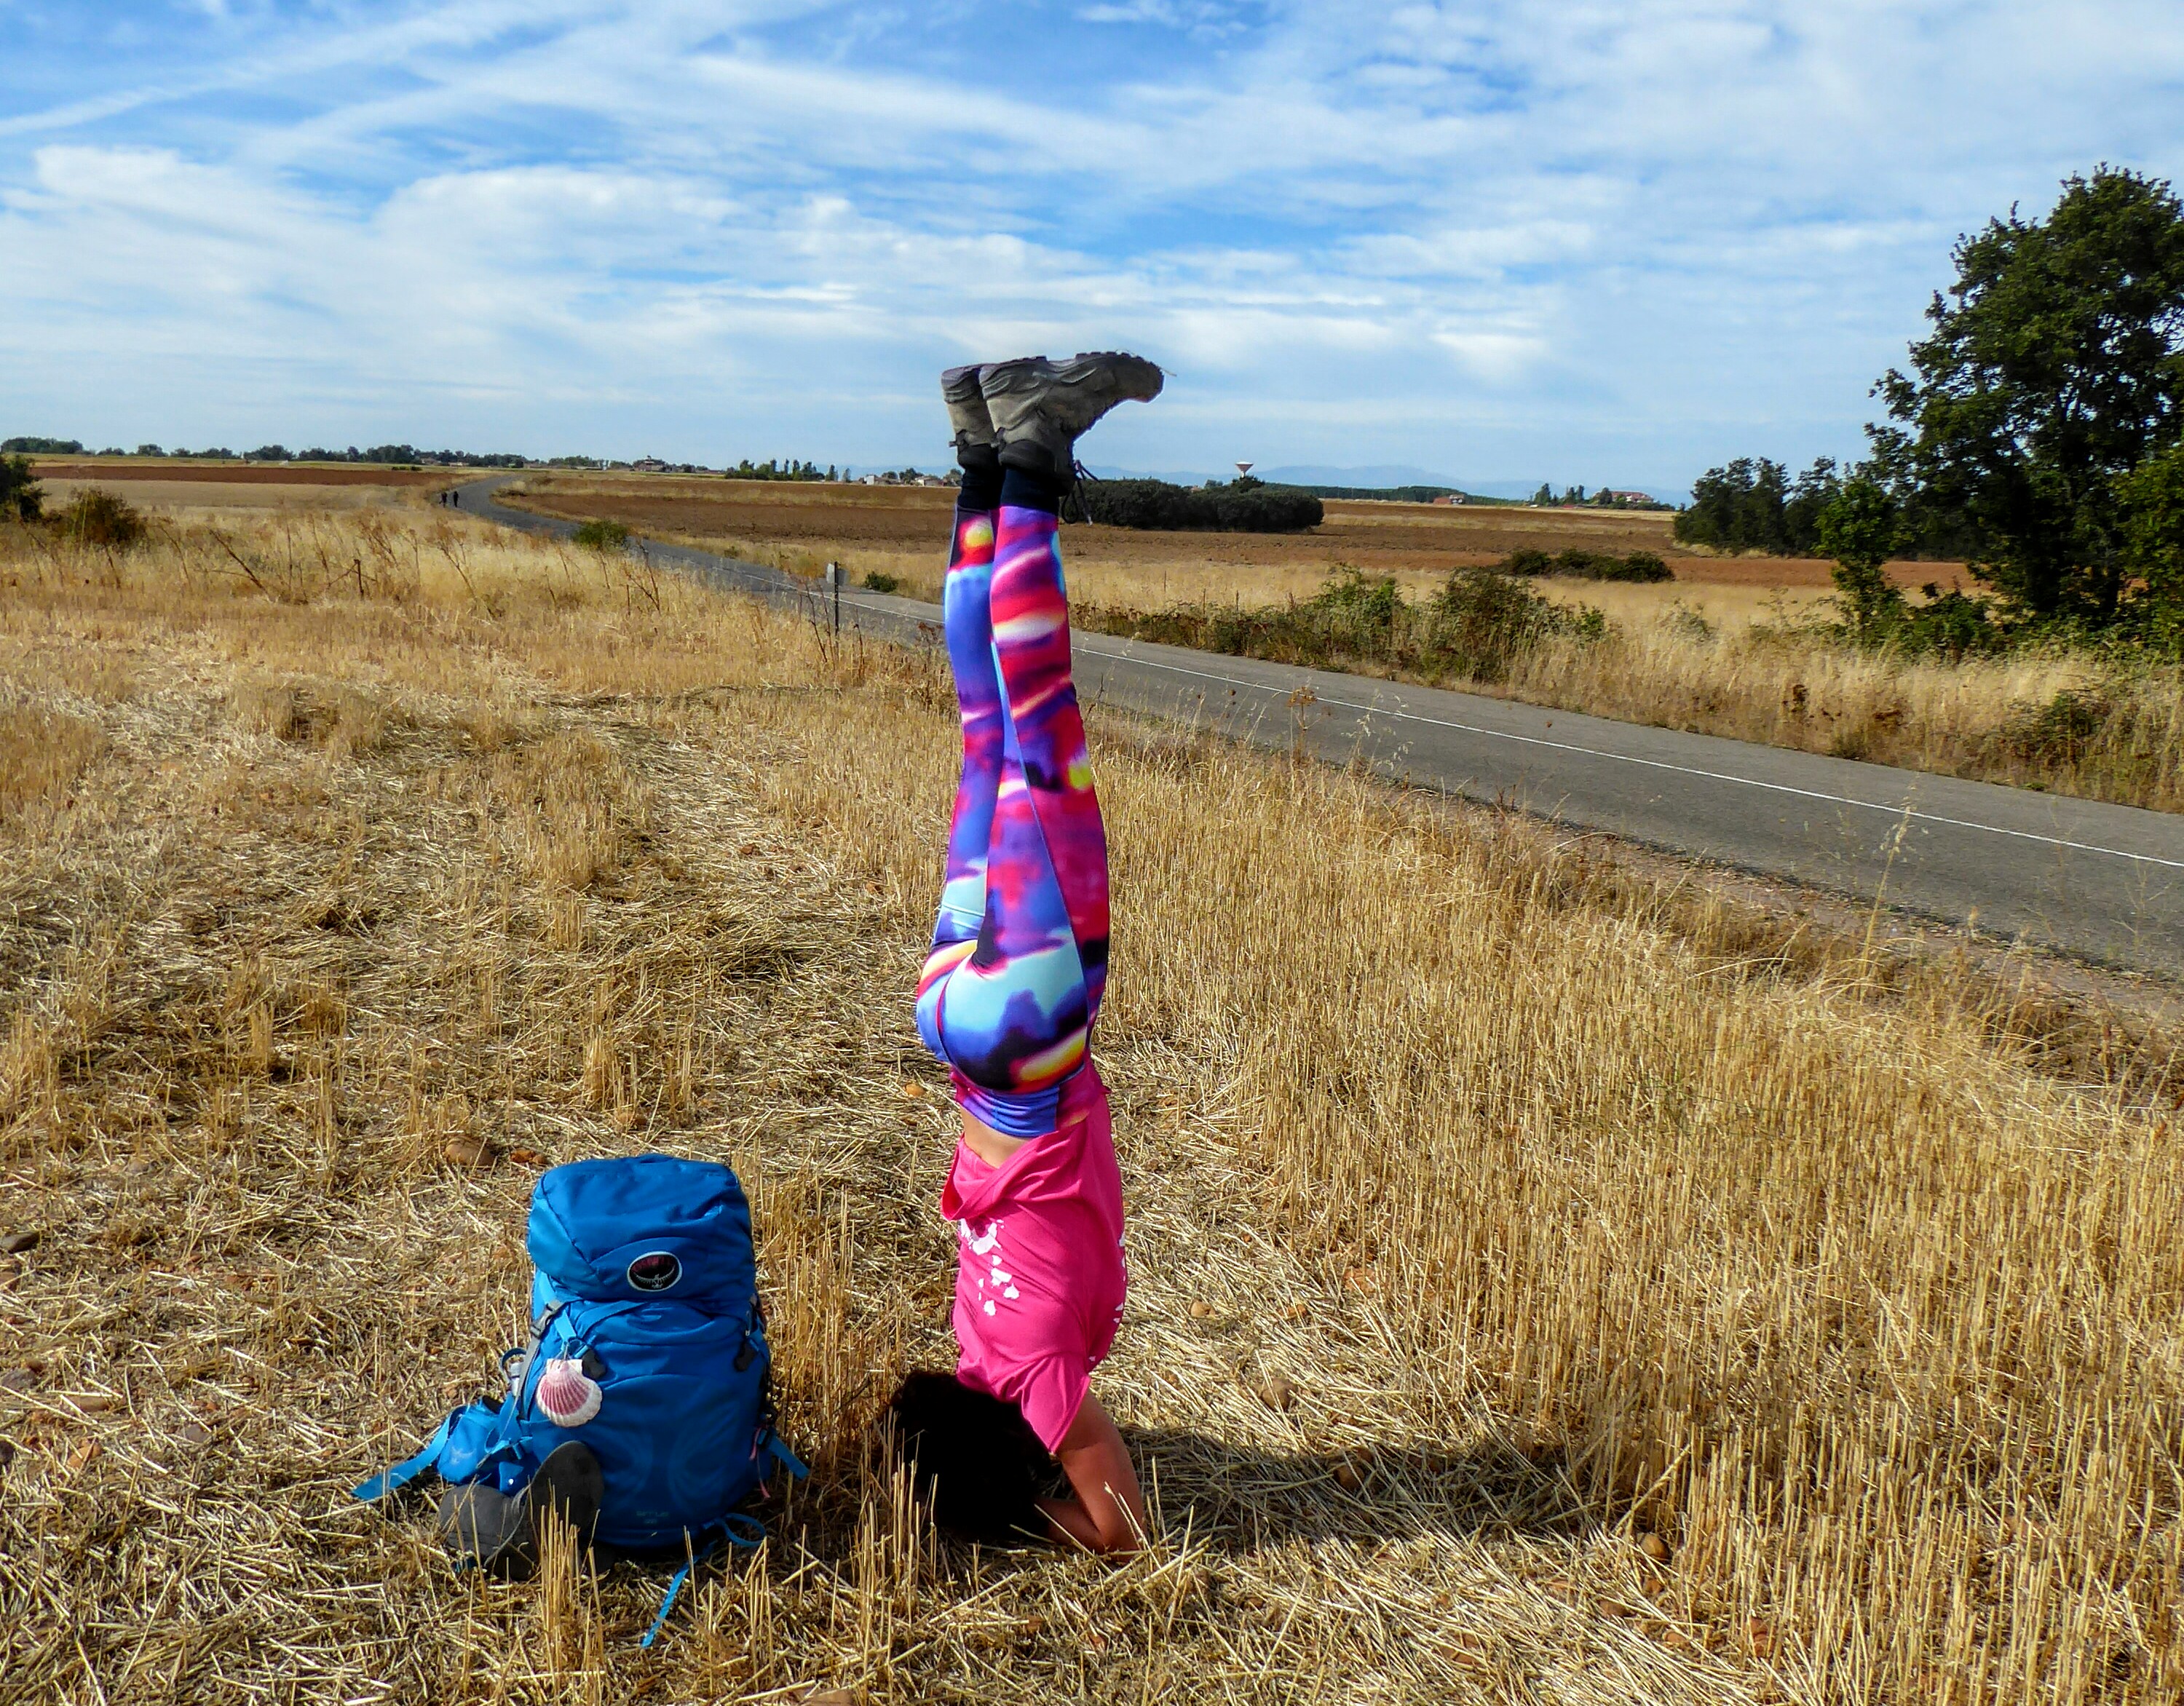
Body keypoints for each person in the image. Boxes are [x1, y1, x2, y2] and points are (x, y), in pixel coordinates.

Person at [898, 352, 1162, 1554]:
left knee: (1039, 717)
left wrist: (1051, 1518)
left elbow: (1120, 1524)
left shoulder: (1041, 1384)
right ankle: (982, 457)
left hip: (1029, 1031)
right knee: (983, 735)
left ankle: (1041, 452)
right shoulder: (980, 1350)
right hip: (956, 1027)